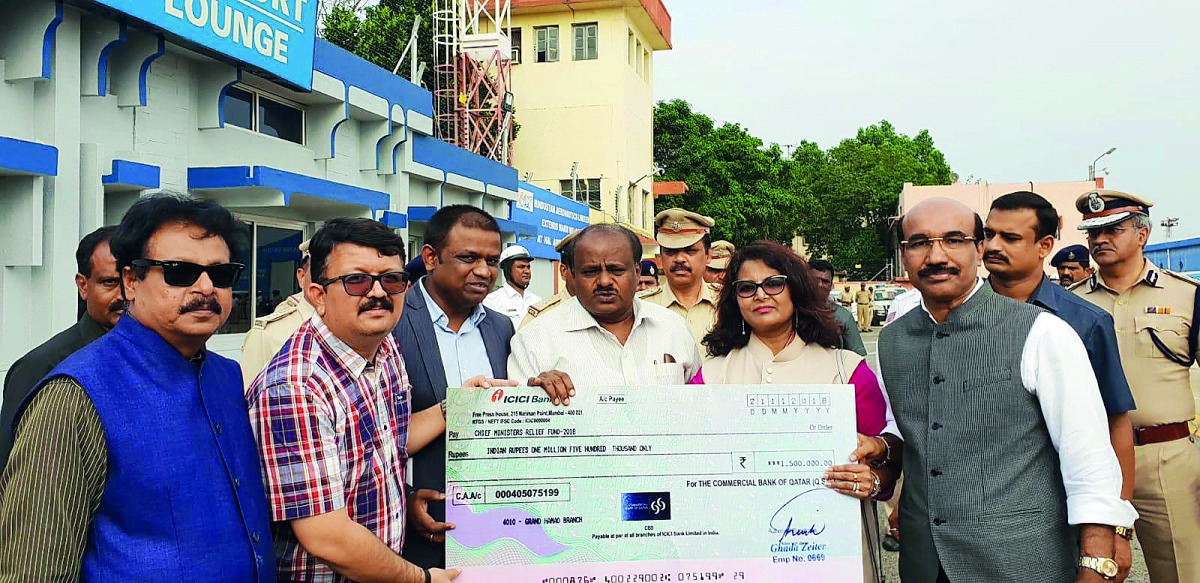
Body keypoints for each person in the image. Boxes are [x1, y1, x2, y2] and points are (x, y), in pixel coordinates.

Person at [0, 193, 273, 580]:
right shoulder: (75, 396)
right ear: (131, 281)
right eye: (179, 271)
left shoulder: (226, 377)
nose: (206, 287)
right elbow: (35, 566)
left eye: (221, 274)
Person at [880, 197, 1136, 583]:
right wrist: (881, 449)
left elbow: (1087, 455)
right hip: (924, 562)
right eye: (919, 243)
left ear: (979, 248)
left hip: (1020, 560)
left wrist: (1097, 558)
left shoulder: (1042, 332)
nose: (936, 256)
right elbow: (914, 429)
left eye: (953, 239)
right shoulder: (893, 339)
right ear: (903, 255)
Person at [247, 218, 460, 583]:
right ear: (317, 295)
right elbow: (328, 538)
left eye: (391, 280)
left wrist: (457, 405)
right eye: (356, 280)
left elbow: (393, 439)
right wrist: (420, 580)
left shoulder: (383, 345)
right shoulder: (296, 388)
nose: (377, 293)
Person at [691, 242, 896, 582]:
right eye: (746, 288)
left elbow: (888, 459)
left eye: (774, 283)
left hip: (833, 555)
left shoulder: (847, 369)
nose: (761, 295)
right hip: (740, 551)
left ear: (796, 290)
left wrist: (873, 480)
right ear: (734, 299)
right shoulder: (711, 376)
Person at [983, 191, 1139, 578]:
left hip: (1063, 503)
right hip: (982, 510)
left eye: (1010, 238)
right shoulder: (958, 313)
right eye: (988, 234)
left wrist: (1115, 525)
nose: (992, 246)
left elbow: (1115, 423)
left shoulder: (1084, 322)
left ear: (1045, 246)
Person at [1071, 189, 1200, 583]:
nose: (1099, 240)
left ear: (1142, 235)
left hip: (1168, 459)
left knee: (1182, 571)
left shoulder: (1186, 296)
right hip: (1093, 461)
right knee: (1093, 570)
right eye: (1093, 233)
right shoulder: (1070, 304)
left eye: (1112, 229)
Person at [391, 205, 514, 569]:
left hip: (495, 530)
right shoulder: (392, 322)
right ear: (430, 258)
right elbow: (370, 436)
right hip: (418, 535)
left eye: (492, 260)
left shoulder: (503, 329)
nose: (483, 271)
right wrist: (405, 498)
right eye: (468, 257)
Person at [511, 224, 701, 386]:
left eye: (616, 270)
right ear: (573, 275)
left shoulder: (673, 328)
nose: (604, 281)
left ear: (636, 272)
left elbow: (699, 407)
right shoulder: (534, 341)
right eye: (590, 271)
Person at [0, 226, 124, 470]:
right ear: (83, 285)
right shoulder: (42, 367)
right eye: (109, 282)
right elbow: (9, 467)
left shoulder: (165, 359)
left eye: (134, 281)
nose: (124, 295)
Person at [639, 209, 721, 351]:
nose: (679, 259)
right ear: (661, 256)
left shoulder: (727, 302)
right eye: (670, 251)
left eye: (690, 251)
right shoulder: (640, 307)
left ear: (708, 256)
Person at [240, 238, 315, 386]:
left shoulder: (361, 329)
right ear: (302, 277)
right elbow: (248, 401)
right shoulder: (268, 335)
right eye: (323, 271)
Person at [521, 229, 582, 327]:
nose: (602, 280)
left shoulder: (608, 314)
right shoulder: (540, 319)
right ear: (564, 271)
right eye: (588, 271)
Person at [808, 259, 867, 356]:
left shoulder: (843, 317)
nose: (819, 285)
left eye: (825, 281)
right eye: (814, 280)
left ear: (831, 286)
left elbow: (857, 357)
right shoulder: (792, 313)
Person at [483, 244, 542, 328]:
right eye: (521, 267)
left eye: (528, 267)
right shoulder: (492, 301)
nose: (527, 271)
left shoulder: (537, 300)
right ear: (508, 270)